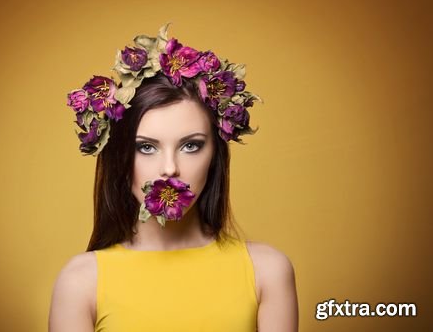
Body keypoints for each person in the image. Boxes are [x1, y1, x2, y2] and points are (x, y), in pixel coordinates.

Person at [49, 25, 298, 332]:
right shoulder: (80, 282)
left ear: (214, 156)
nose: (170, 169)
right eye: (146, 147)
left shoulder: (267, 272)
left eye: (190, 145)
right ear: (120, 158)